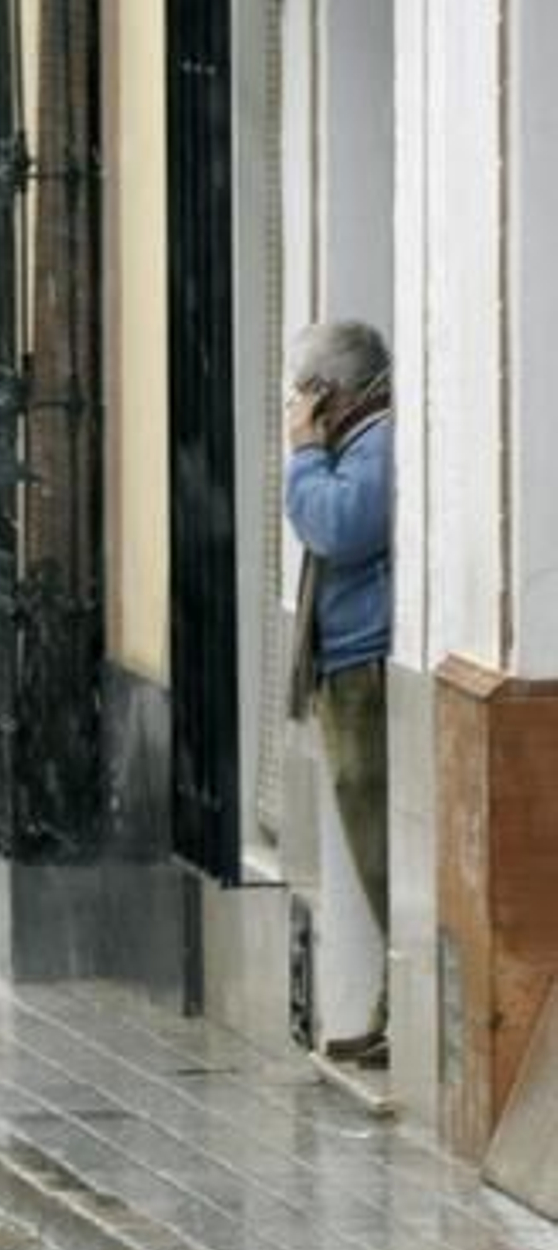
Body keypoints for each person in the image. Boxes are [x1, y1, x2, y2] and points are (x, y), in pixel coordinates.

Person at [284, 320, 393, 1069]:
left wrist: (303, 453)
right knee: (368, 844)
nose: (295, 406)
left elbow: (337, 527)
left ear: (332, 394)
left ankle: (399, 1007)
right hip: (345, 666)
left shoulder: (377, 444)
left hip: (365, 672)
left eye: (303, 391)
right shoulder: (353, 445)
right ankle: (393, 1005)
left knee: (380, 844)